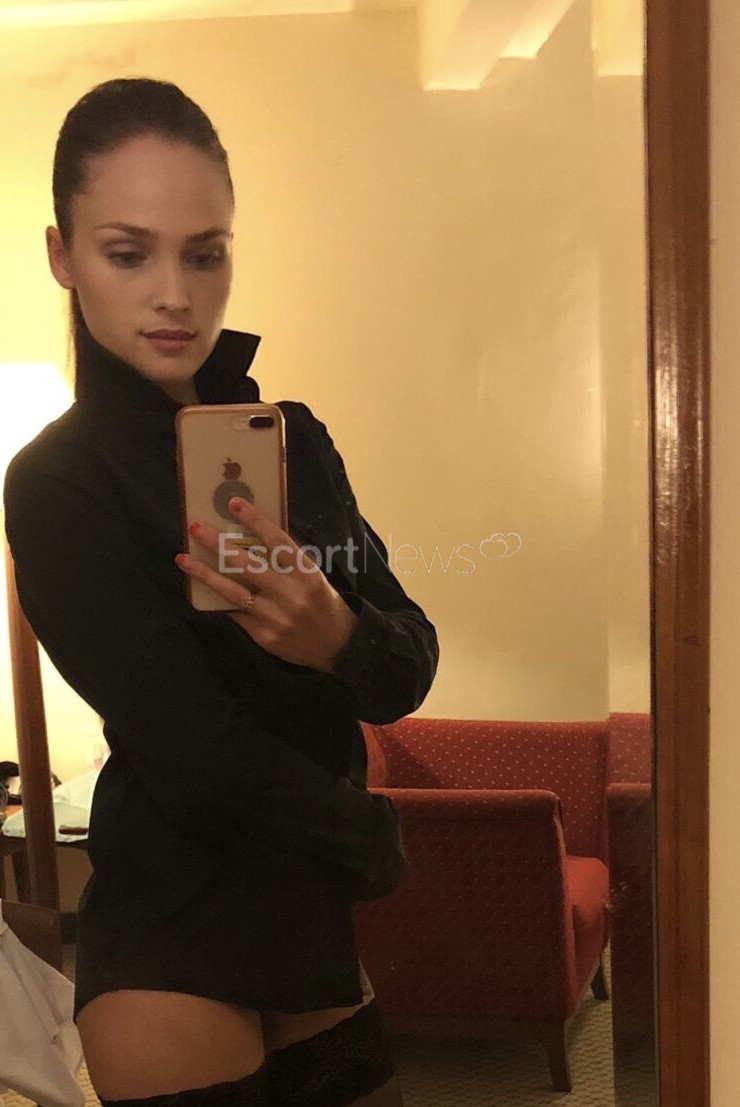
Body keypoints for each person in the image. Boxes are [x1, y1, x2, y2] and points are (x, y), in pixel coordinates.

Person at [2, 78, 439, 1107]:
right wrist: (372, 839)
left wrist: (337, 635)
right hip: (172, 933)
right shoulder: (56, 481)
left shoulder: (294, 441)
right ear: (63, 255)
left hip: (306, 923)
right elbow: (193, 754)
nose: (175, 293)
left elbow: (406, 665)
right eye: (129, 252)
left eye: (204, 254)